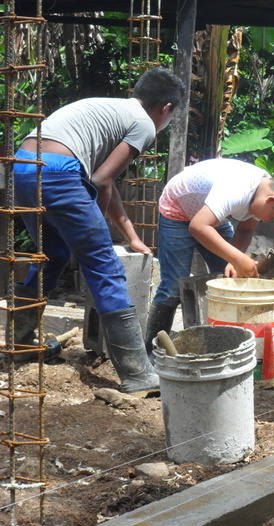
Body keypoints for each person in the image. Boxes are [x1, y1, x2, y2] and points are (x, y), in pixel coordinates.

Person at [10, 67, 184, 396]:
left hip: (23, 165)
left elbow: (105, 179)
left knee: (51, 255)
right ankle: (136, 374)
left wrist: (129, 234)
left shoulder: (112, 109)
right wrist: (97, 235)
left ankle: (18, 341)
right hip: (59, 172)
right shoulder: (144, 124)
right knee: (104, 267)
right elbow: (102, 180)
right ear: (167, 108)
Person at [145, 158, 274, 353]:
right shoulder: (237, 189)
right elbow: (198, 227)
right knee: (172, 288)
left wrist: (233, 260)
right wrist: (239, 259)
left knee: (231, 278)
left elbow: (245, 231)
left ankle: (225, 344)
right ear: (272, 202)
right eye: (271, 217)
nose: (266, 220)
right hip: (177, 211)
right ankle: (150, 354)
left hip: (210, 216)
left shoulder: (261, 195)